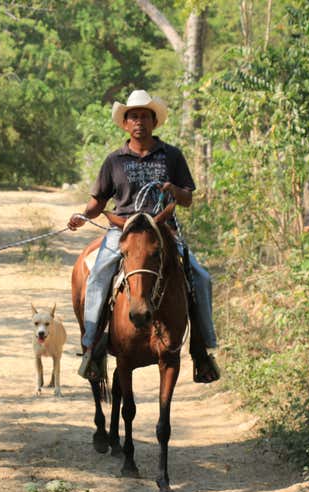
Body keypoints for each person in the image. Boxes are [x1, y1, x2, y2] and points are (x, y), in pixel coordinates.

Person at [67, 90, 219, 382]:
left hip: (162, 230)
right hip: (123, 229)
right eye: (133, 117)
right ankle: (92, 344)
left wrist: (173, 190)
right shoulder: (115, 160)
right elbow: (99, 200)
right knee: (99, 274)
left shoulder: (171, 156)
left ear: (154, 121)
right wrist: (83, 216)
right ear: (125, 124)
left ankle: (202, 351)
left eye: (144, 116)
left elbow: (186, 198)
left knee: (200, 277)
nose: (139, 122)